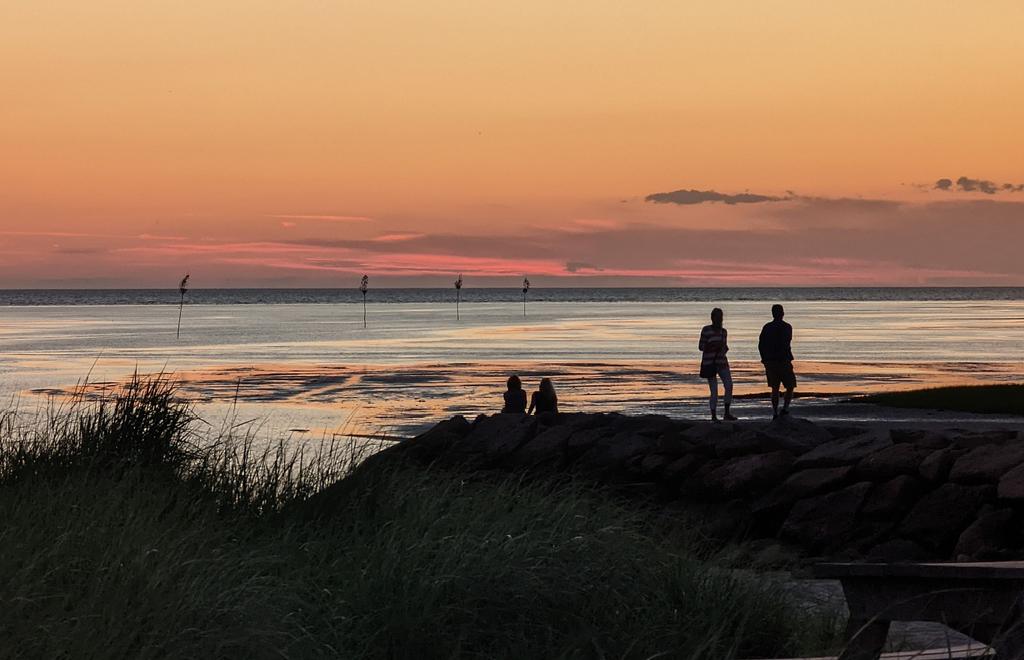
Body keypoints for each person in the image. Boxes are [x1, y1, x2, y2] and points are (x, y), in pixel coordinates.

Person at [758, 303, 796, 420]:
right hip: (782, 360)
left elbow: (761, 345)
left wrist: (764, 359)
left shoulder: (767, 327)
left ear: (773, 314)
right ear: (782, 314)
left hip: (771, 361)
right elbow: (786, 342)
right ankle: (784, 409)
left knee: (775, 388)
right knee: (790, 385)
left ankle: (776, 412)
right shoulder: (787, 327)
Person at [699, 308, 736, 422]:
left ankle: (726, 413)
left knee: (729, 385)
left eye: (721, 317)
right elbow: (701, 346)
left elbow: (725, 347)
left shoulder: (723, 332)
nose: (719, 319)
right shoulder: (706, 330)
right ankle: (714, 415)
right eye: (717, 317)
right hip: (709, 363)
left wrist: (723, 349)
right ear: (712, 318)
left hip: (722, 362)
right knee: (714, 390)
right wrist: (712, 346)